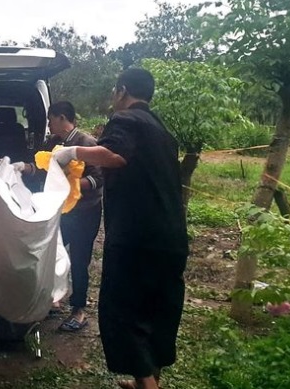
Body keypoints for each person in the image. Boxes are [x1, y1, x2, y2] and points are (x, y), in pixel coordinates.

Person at [50, 68, 188, 389]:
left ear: (122, 90)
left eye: (115, 91)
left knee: (124, 315)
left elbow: (114, 155)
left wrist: (71, 152)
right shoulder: (161, 129)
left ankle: (146, 383)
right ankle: (148, 380)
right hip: (170, 237)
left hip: (137, 239)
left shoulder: (126, 120)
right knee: (156, 314)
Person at [13, 100, 103, 332]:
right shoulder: (53, 142)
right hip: (58, 211)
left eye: (51, 120)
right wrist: (24, 167)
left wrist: (70, 184)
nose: (49, 125)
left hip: (84, 212)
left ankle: (79, 311)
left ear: (62, 118)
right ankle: (54, 298)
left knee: (80, 260)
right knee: (52, 254)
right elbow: (41, 167)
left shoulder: (86, 143)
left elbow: (98, 180)